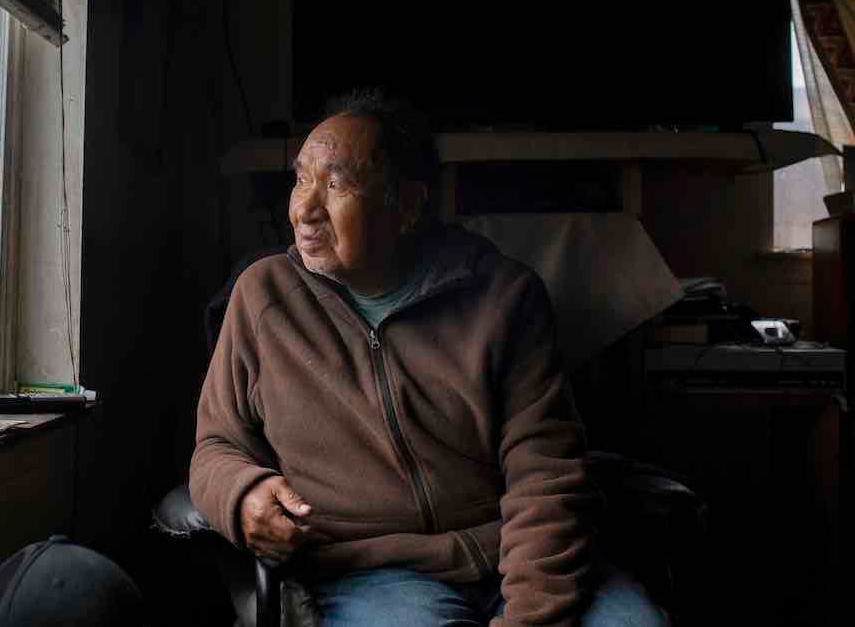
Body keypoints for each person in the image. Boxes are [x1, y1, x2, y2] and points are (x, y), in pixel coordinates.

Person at [190, 91, 667, 626]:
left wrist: (532, 615)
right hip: (369, 570)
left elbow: (546, 477)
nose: (304, 209)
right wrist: (242, 494)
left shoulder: (503, 299)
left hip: (518, 554)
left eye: (337, 183)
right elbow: (216, 445)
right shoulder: (264, 297)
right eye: (301, 179)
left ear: (408, 206)